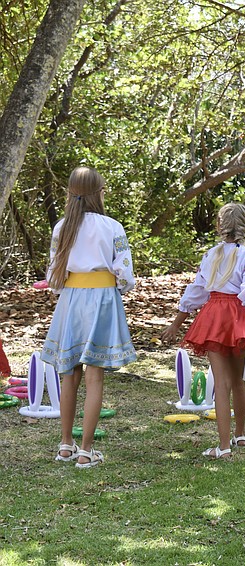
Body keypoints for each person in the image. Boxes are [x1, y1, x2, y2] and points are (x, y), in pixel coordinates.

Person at [41, 166, 137, 469]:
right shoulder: (112, 227)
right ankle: (86, 450)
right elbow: (125, 272)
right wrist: (116, 287)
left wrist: (69, 290)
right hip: (102, 300)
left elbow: (54, 276)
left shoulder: (62, 227)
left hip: (71, 301)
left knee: (69, 373)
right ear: (100, 192)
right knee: (95, 377)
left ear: (70, 193)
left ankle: (65, 445)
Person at [161, 203, 245, 459]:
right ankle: (240, 435)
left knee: (221, 384)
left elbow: (197, 291)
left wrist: (177, 323)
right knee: (239, 380)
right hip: (239, 316)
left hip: (214, 315)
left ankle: (223, 447)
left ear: (219, 226)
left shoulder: (211, 255)